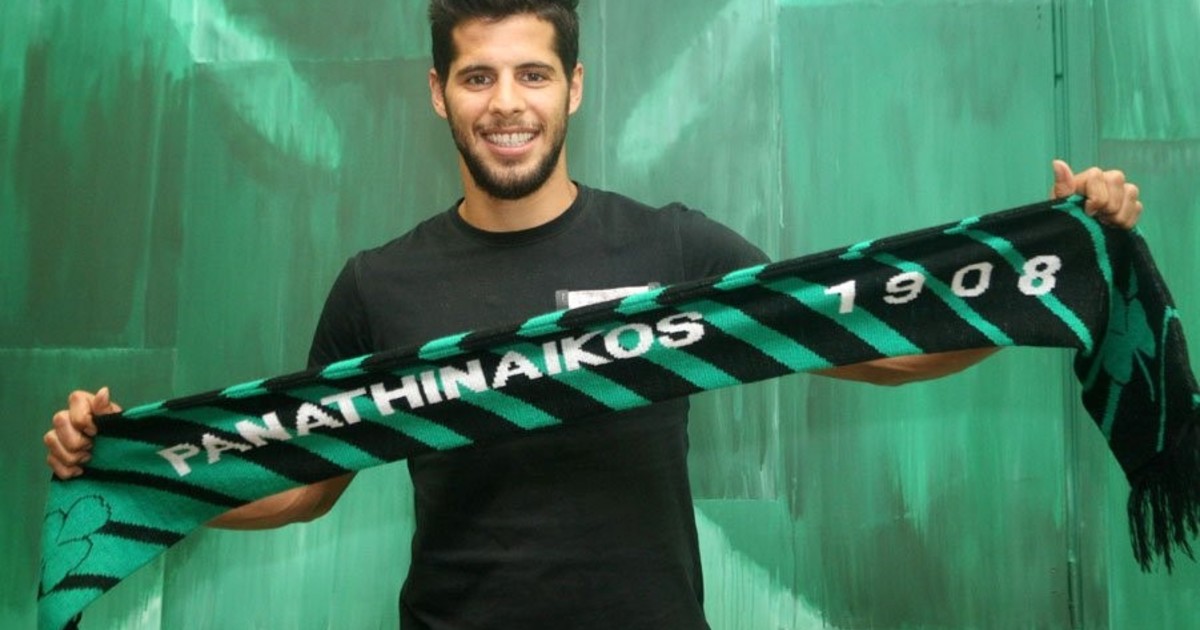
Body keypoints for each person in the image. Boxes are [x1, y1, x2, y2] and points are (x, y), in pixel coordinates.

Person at [44, 0, 1144, 628]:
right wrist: (128, 470)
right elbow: (303, 489)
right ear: (437, 92)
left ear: (575, 87)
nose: (507, 105)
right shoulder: (381, 284)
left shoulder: (673, 250)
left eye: (532, 75)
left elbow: (878, 353)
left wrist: (1053, 263)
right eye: (478, 78)